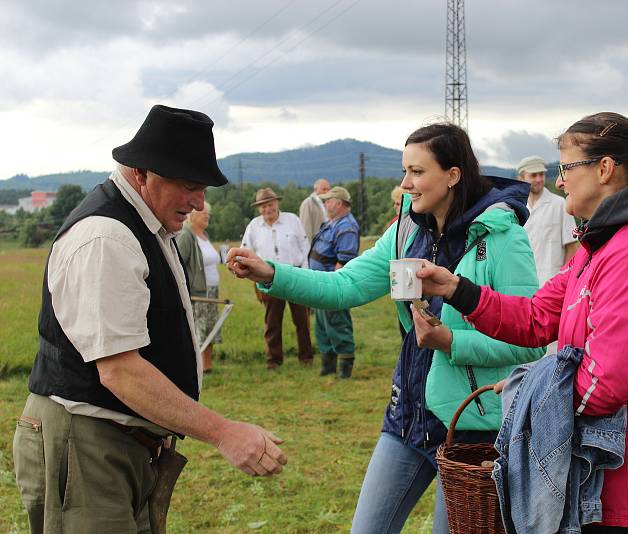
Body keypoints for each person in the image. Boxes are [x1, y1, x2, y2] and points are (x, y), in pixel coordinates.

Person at [226, 122, 544, 533]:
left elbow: (531, 343)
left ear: (452, 175)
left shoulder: (501, 238)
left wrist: (452, 341)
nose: (407, 183)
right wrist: (270, 272)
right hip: (406, 419)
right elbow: (344, 286)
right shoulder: (405, 232)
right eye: (403, 171)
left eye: (417, 171)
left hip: (469, 429)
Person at [417, 112, 628, 532]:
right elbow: (535, 317)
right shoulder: (597, 248)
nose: (559, 181)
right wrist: (455, 289)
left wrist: (525, 391)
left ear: (604, 169)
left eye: (567, 167)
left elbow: (607, 384)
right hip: (596, 483)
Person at [12, 105, 287, 533]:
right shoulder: (106, 237)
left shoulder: (147, 225)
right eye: (190, 185)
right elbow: (121, 372)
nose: (199, 201)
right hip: (86, 444)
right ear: (142, 174)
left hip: (118, 446)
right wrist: (224, 433)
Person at [241, 188, 313, 370]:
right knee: (272, 322)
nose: (267, 209)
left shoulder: (292, 221)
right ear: (258, 208)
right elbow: (245, 252)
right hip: (268, 278)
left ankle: (306, 357)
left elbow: (305, 247)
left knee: (302, 320)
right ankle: (274, 360)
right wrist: (255, 281)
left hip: (295, 275)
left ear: (277, 203)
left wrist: (305, 274)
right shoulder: (254, 227)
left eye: (270, 204)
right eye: (263, 206)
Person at [306, 186, 361, 378]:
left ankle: (344, 368)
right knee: (322, 326)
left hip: (331, 286)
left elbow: (343, 261)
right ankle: (328, 366)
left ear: (338, 203)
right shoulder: (333, 222)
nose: (325, 203)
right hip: (321, 285)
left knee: (337, 324)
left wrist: (334, 287)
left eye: (328, 200)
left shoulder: (346, 227)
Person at [516, 155, 578, 285]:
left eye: (541, 174)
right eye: (533, 175)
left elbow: (571, 248)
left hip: (551, 285)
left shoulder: (560, 204)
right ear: (521, 178)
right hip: (523, 285)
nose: (538, 179)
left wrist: (563, 283)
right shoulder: (514, 209)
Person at [176, 201, 221, 374]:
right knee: (199, 329)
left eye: (208, 213)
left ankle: (207, 367)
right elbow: (178, 263)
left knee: (210, 328)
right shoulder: (187, 235)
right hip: (198, 293)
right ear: (192, 215)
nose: (207, 215)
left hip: (211, 291)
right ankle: (195, 367)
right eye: (203, 212)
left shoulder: (204, 235)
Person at [299, 178, 330, 246]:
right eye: (324, 189)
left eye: (328, 189)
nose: (327, 192)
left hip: (326, 246)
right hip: (314, 248)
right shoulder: (307, 203)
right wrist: (308, 250)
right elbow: (305, 228)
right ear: (315, 190)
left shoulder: (327, 203)